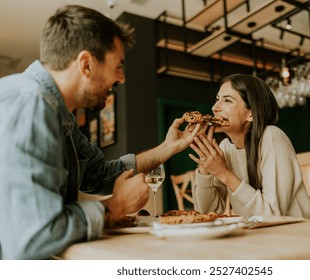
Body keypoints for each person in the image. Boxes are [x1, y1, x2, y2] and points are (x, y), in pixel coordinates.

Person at [0, 5, 201, 259]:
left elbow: (100, 175)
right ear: (86, 64)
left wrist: (168, 147)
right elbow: (34, 236)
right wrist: (115, 207)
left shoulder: (60, 114)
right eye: (118, 65)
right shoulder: (31, 105)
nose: (122, 78)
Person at [189, 74, 310, 219]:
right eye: (218, 99)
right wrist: (205, 166)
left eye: (227, 100)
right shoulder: (225, 147)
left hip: (297, 234)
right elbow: (207, 213)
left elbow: (272, 214)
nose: (214, 108)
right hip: (258, 235)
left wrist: (224, 173)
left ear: (251, 114)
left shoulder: (272, 137)